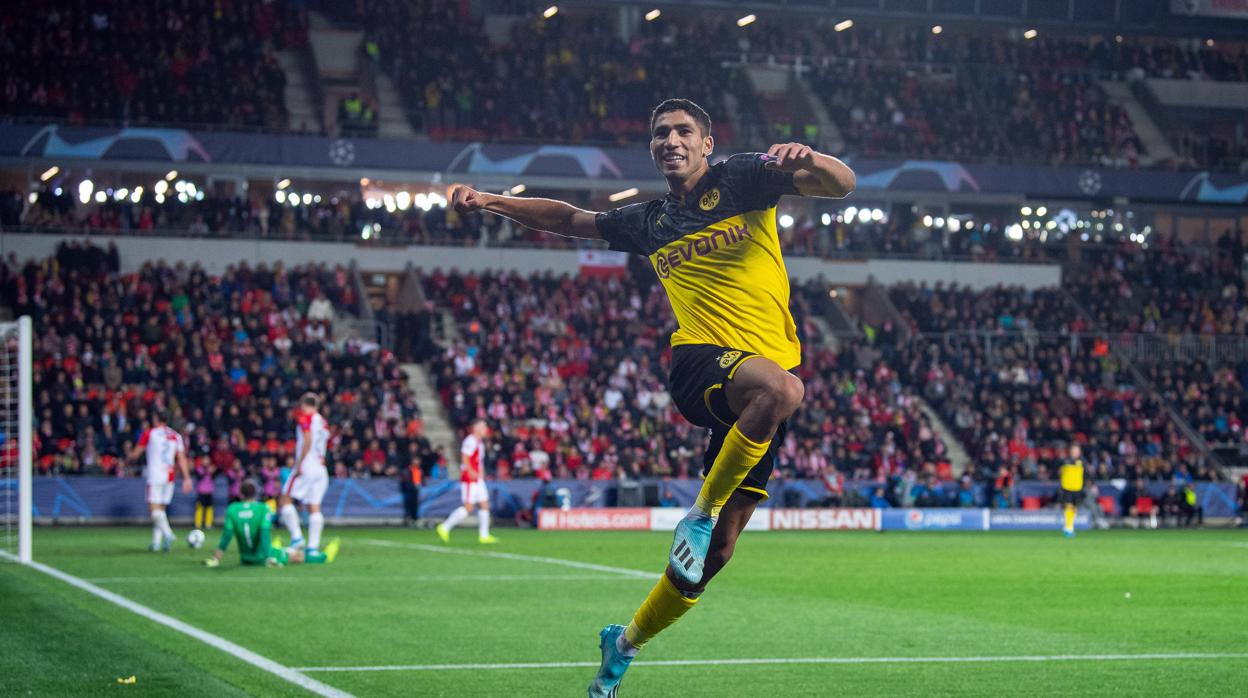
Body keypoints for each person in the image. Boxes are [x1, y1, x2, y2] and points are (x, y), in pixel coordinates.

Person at [448, 97, 854, 696]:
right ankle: (697, 512)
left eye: (683, 130)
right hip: (699, 364)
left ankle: (624, 644)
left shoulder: (742, 178)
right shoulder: (650, 221)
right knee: (783, 388)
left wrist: (813, 156)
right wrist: (490, 200)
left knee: (717, 556)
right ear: (652, 148)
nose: (671, 140)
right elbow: (567, 219)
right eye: (660, 132)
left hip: (756, 385)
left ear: (706, 142)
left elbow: (841, 185)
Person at [204, 481, 338, 568]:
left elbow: (226, 536)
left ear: (240, 494)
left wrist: (216, 558)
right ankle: (324, 557)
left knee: (282, 549)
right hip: (263, 558)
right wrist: (269, 557)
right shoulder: (263, 508)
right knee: (298, 556)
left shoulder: (232, 509)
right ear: (256, 494)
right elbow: (264, 533)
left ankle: (278, 547)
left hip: (246, 559)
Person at [127, 411, 192, 552]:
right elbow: (181, 458)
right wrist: (187, 478)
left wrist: (128, 457)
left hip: (155, 475)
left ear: (155, 418)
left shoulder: (150, 433)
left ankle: (168, 534)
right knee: (161, 511)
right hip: (169, 476)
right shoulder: (176, 435)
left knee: (154, 510)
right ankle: (156, 543)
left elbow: (136, 453)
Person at [278, 393, 332, 556]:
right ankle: (312, 548)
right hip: (320, 468)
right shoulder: (323, 422)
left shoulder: (305, 418)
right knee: (314, 506)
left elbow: (307, 440)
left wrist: (299, 463)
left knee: (285, 498)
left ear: (304, 405)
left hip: (307, 465)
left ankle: (297, 538)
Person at [435, 419, 498, 543]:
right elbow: (465, 458)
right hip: (469, 479)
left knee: (485, 504)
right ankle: (444, 527)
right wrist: (471, 471)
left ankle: (484, 535)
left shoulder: (479, 442)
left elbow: (478, 460)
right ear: (476, 428)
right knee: (468, 508)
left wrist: (481, 472)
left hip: (477, 479)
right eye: (483, 426)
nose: (485, 429)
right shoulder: (470, 441)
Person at [1058, 444, 1084, 537]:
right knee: (1068, 506)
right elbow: (1059, 472)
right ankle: (1068, 528)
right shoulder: (1065, 461)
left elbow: (1086, 474)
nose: (1075, 452)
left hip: (1077, 488)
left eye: (1076, 450)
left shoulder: (1082, 462)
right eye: (1073, 450)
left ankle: (1069, 526)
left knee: (1074, 509)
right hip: (1067, 488)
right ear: (1070, 451)